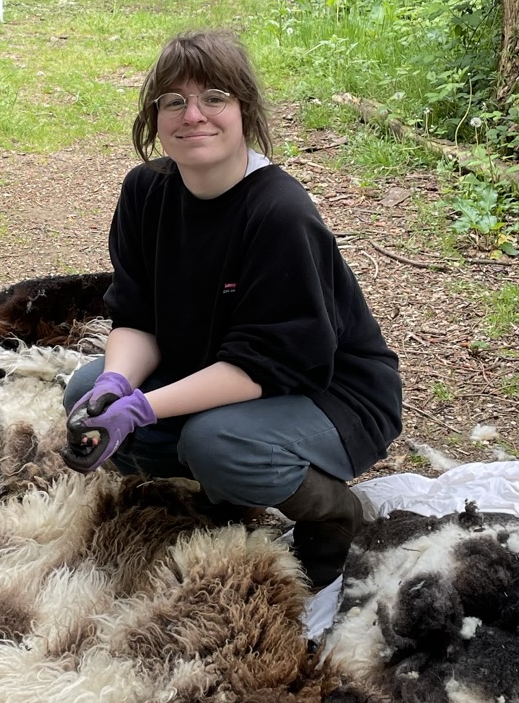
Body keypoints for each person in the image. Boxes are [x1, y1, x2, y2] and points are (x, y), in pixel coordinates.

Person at [62, 30, 403, 588]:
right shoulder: (146, 193)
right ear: (156, 118)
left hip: (329, 393)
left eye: (214, 97)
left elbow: (267, 363)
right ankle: (225, 488)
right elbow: (137, 316)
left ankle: (334, 513)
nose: (192, 114)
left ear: (245, 110)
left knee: (216, 441)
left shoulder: (279, 212)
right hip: (213, 367)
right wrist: (119, 386)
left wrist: (145, 409)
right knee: (85, 392)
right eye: (173, 101)